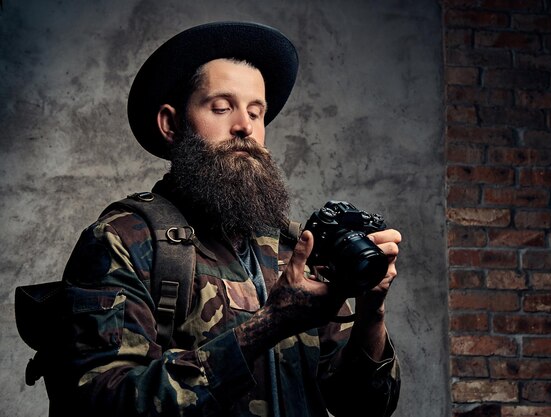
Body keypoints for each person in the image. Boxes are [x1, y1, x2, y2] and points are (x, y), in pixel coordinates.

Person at [49, 21, 402, 417]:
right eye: (221, 107)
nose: (244, 127)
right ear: (171, 124)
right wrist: (268, 325)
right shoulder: (123, 240)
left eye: (257, 112)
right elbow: (102, 404)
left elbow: (368, 407)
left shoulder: (292, 249)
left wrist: (373, 312)